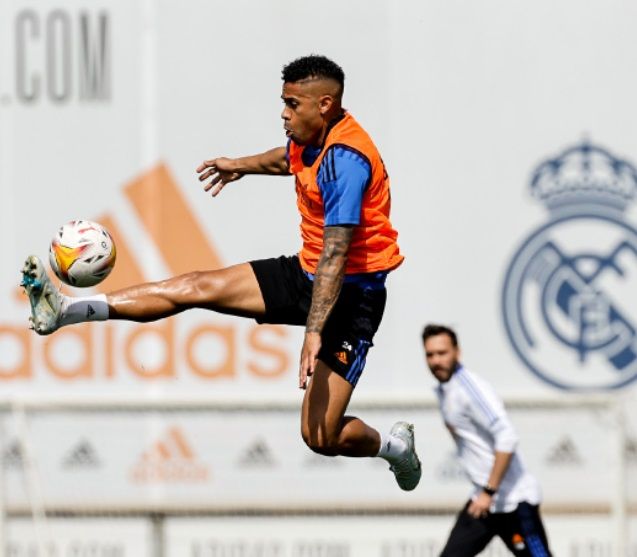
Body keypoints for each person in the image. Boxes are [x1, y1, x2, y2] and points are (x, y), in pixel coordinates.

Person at [20, 54, 421, 490]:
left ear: (324, 105)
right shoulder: (313, 137)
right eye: (282, 103)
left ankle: (394, 448)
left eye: (292, 104)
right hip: (307, 274)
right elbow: (287, 159)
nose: (284, 115)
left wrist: (313, 330)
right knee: (196, 286)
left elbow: (337, 255)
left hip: (350, 298)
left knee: (319, 436)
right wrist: (239, 165)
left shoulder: (347, 160)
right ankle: (65, 312)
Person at [421, 324, 551, 556]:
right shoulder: (445, 390)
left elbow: (507, 437)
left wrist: (489, 491)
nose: (436, 361)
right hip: (483, 504)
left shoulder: (469, 389)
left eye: (442, 353)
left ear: (457, 352)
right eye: (430, 355)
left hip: (514, 501)